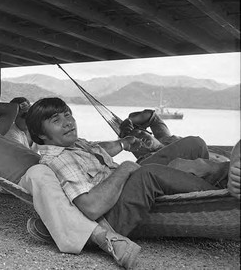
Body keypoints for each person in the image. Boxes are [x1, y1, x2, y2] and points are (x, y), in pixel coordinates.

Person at [0, 91, 141, 269]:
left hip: (52, 164)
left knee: (83, 152)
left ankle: (51, 227)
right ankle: (103, 237)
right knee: (40, 174)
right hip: (31, 176)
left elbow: (11, 109)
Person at [25, 97, 227, 238]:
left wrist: (124, 142)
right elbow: (91, 208)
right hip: (115, 214)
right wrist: (125, 168)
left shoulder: (75, 143)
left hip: (125, 184)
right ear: (41, 134)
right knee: (150, 173)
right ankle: (221, 198)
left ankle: (202, 184)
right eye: (56, 120)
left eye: (67, 115)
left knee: (194, 144)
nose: (68, 122)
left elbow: (99, 149)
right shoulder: (61, 159)